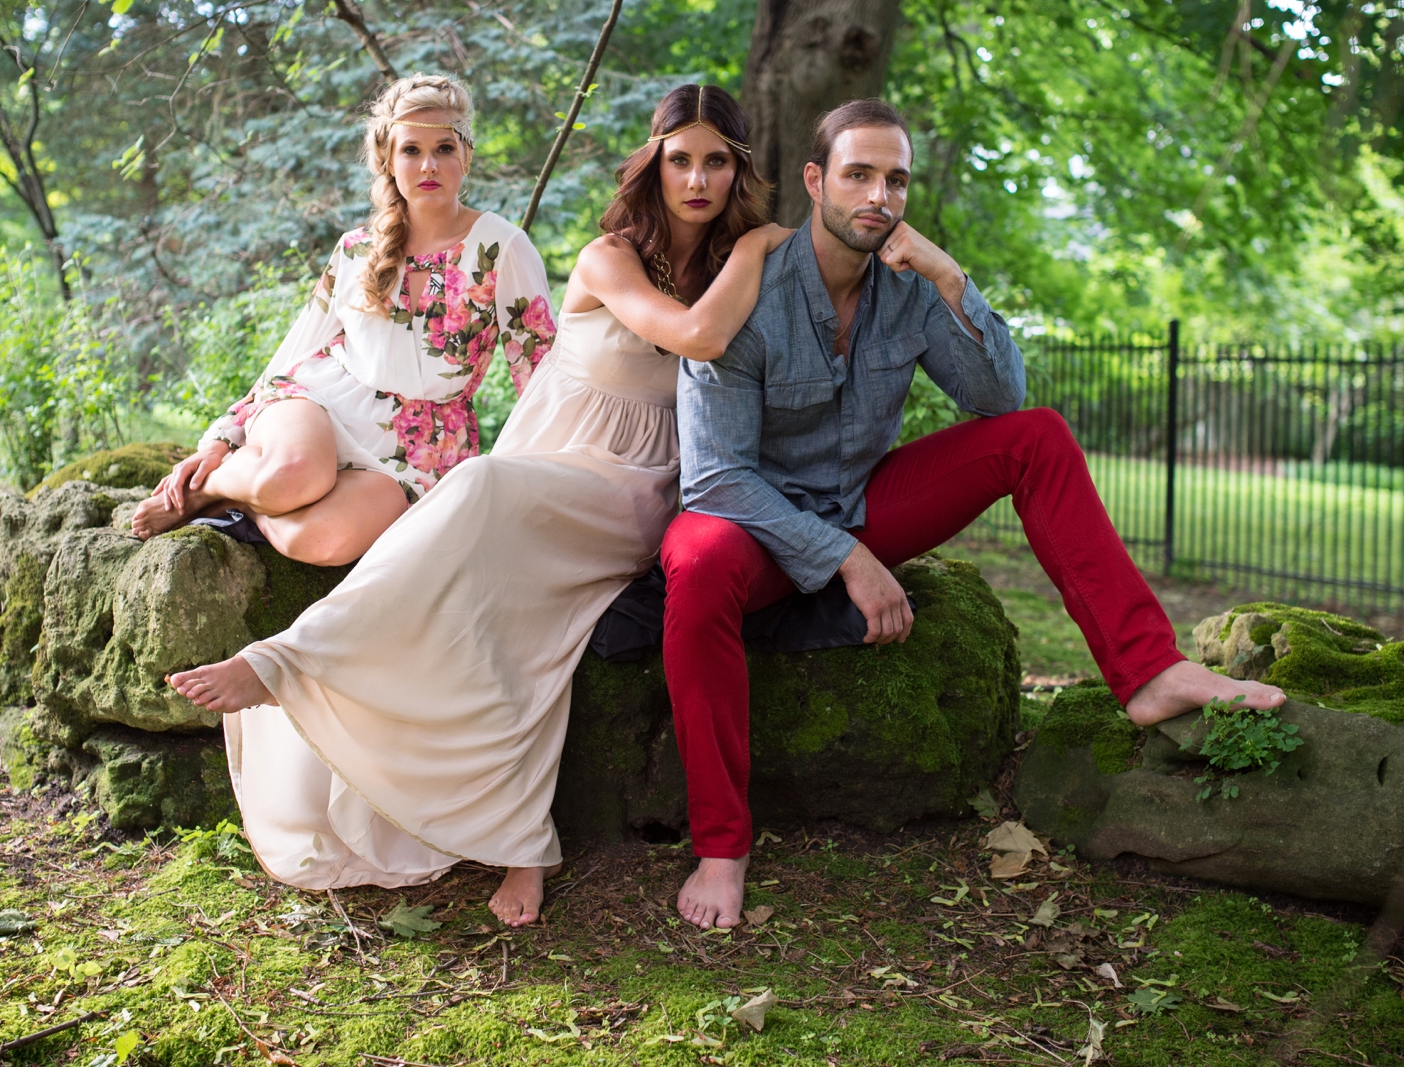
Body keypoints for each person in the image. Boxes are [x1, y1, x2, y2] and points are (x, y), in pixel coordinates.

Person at [164, 84, 792, 926]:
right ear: (653, 163)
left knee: (476, 486)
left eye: (718, 160)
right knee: (514, 618)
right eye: (681, 158)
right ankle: (521, 839)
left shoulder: (734, 267)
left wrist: (754, 250)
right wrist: (757, 248)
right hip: (547, 465)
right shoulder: (611, 257)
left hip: (635, 489)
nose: (698, 178)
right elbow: (643, 352)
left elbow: (721, 340)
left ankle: (285, 660)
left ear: (738, 170)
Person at [661, 98, 1288, 930]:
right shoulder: (748, 290)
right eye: (858, 174)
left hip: (860, 502)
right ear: (816, 181)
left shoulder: (913, 284)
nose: (879, 196)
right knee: (697, 565)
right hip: (753, 523)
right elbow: (715, 478)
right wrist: (847, 560)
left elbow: (1000, 397)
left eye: (896, 179)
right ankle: (722, 844)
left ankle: (1148, 671)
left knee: (1037, 437)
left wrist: (952, 282)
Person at [131, 74, 558, 564]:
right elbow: (295, 349)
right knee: (292, 478)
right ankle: (207, 488)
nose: (428, 165)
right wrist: (221, 438)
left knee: (321, 540)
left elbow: (540, 374)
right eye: (410, 150)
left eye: (443, 147)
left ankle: (241, 505)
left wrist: (542, 478)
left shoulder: (502, 247)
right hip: (322, 402)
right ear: (388, 161)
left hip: (421, 445)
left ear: (466, 155)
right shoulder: (357, 248)